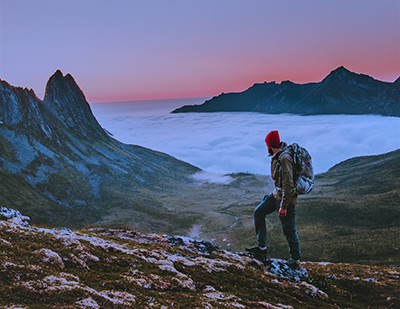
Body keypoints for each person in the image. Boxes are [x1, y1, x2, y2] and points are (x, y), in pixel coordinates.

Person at [246, 130, 301, 268]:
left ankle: (295, 259)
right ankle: (262, 248)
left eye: (267, 145)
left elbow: (288, 184)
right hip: (276, 195)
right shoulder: (278, 156)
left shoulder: (284, 158)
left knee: (289, 230)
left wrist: (283, 206)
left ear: (270, 145)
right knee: (259, 212)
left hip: (285, 199)